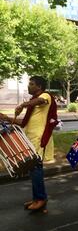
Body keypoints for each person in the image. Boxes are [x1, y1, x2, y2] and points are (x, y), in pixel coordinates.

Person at [0, 76, 57, 211]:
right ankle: (38, 198)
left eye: (31, 84)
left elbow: (41, 101)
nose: (28, 86)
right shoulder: (33, 103)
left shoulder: (46, 96)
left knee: (36, 168)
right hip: (30, 138)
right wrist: (7, 118)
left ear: (39, 87)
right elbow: (25, 122)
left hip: (39, 138)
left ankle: (41, 199)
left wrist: (23, 104)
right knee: (34, 169)